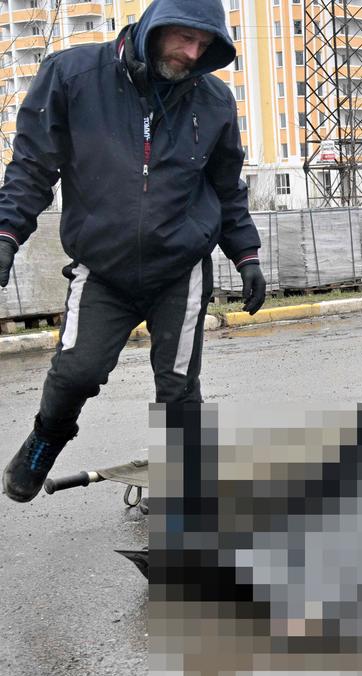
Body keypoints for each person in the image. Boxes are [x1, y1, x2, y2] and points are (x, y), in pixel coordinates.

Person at [0, 0, 265, 502]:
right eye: (184, 38)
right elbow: (33, 167)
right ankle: (45, 440)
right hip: (102, 267)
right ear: (154, 25)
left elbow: (227, 188)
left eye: (204, 45)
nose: (192, 53)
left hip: (180, 266)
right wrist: (7, 234)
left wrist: (246, 254)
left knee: (179, 387)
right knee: (76, 372)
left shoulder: (212, 102)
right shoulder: (75, 75)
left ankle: (185, 494)